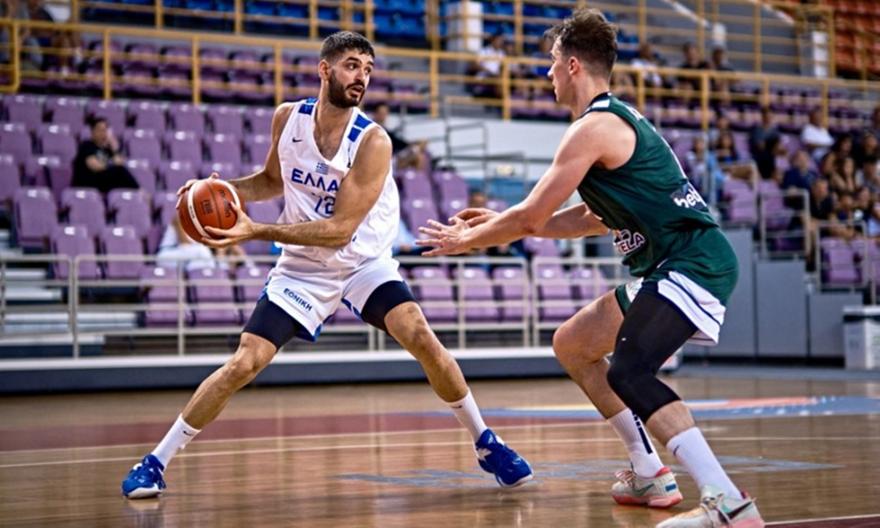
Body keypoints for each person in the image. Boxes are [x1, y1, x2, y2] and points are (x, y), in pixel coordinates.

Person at [120, 31, 532, 499]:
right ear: (325, 69)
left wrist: (256, 230)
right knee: (244, 362)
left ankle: (486, 442)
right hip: (303, 268)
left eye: (368, 70)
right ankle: (155, 461)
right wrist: (218, 191)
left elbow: (340, 230)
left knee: (421, 335)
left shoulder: (372, 142)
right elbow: (271, 180)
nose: (362, 77)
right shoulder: (288, 118)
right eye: (353, 65)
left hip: (362, 262)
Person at [418, 9, 764, 528]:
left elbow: (531, 217)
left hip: (691, 260)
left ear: (574, 65)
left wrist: (470, 238)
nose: (548, 72)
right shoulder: (611, 123)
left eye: (553, 62)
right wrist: (507, 223)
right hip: (668, 265)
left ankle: (727, 501)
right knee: (574, 344)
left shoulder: (593, 128)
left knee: (630, 371)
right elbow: (588, 218)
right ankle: (649, 471)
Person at [72, 116, 139, 193]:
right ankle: (139, 192)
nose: (102, 133)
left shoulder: (107, 149)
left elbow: (120, 162)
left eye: (105, 130)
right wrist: (112, 163)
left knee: (121, 173)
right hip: (86, 184)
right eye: (99, 130)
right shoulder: (86, 145)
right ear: (92, 132)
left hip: (101, 185)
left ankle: (137, 194)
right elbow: (95, 166)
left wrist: (115, 149)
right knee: (119, 171)